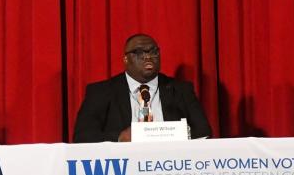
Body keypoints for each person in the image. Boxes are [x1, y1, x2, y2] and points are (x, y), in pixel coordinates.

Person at [73, 33, 212, 142]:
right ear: (126, 59)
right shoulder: (101, 92)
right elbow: (82, 137)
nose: (148, 57)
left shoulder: (181, 90)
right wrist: (119, 138)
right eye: (139, 52)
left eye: (153, 51)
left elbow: (204, 131)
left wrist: (176, 134)